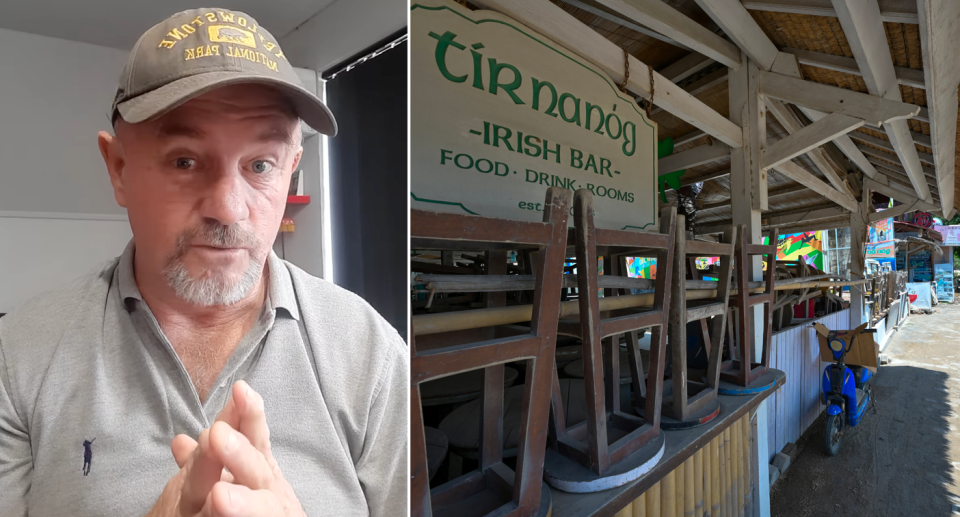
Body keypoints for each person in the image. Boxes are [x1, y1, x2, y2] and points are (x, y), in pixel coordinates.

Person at [0, 8, 407, 517]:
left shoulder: (372, 355)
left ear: (291, 170)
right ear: (119, 168)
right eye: (185, 161)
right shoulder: (17, 359)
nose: (229, 208)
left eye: (261, 165)